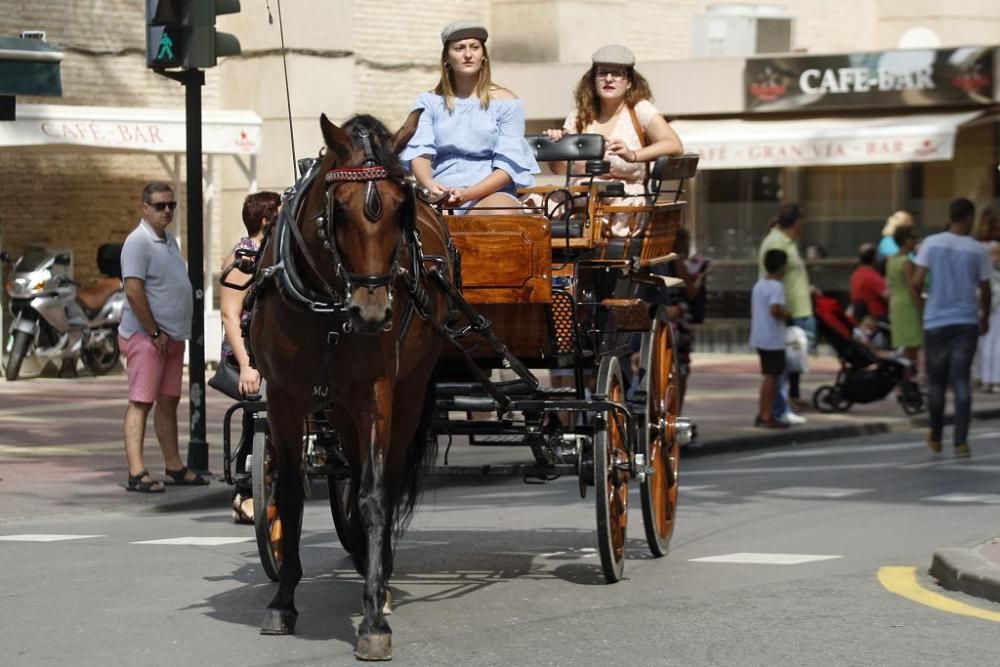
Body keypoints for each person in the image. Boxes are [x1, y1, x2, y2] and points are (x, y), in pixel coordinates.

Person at [400, 20, 538, 213]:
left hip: (490, 195)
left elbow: (508, 165)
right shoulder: (429, 102)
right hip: (439, 194)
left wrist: (468, 194)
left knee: (499, 214)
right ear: (447, 57)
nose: (467, 54)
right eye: (459, 48)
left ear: (484, 56)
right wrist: (431, 185)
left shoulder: (506, 102)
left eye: (474, 47)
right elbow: (420, 154)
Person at [545, 44, 684, 236]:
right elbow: (559, 170)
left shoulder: (639, 110)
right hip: (580, 199)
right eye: (602, 73)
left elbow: (674, 145)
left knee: (599, 210)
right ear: (593, 79)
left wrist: (633, 155)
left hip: (622, 203)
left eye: (617, 74)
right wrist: (558, 145)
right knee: (538, 202)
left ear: (629, 82)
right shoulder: (578, 116)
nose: (609, 79)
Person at [119, 182, 203, 492]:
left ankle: (174, 465)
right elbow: (134, 290)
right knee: (141, 401)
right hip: (146, 336)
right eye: (159, 206)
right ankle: (137, 472)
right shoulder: (137, 242)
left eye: (171, 205)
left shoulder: (168, 241)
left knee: (168, 401)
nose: (167, 210)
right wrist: (154, 331)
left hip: (171, 336)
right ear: (145, 208)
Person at [910, 197, 992, 458]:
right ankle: (961, 441)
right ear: (968, 218)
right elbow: (986, 288)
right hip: (965, 321)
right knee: (960, 381)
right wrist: (985, 317)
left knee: (936, 383)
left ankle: (935, 435)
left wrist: (924, 308)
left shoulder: (931, 244)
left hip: (935, 321)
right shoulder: (977, 249)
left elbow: (916, 282)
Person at [218, 191, 280, 522]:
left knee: (267, 422)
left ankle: (257, 488)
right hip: (249, 355)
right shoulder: (245, 257)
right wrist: (246, 366)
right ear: (267, 221)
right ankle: (244, 493)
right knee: (255, 421)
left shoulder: (270, 254)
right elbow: (230, 315)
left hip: (266, 354)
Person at [757, 202, 813, 424]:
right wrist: (782, 312)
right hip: (786, 315)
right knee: (779, 369)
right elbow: (769, 283)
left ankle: (780, 407)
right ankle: (776, 410)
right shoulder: (775, 243)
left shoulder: (788, 242)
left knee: (789, 365)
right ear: (797, 222)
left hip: (795, 311)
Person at [750, 249, 789, 429]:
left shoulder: (759, 285)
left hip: (760, 336)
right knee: (771, 377)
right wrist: (787, 313)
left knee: (769, 376)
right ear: (782, 267)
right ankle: (766, 415)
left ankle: (764, 413)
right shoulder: (776, 286)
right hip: (773, 338)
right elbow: (775, 309)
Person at [886, 226, 923, 374]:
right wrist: (920, 305)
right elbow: (912, 286)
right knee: (912, 344)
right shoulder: (906, 261)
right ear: (905, 240)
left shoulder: (891, 260)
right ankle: (908, 378)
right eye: (913, 238)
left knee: (904, 343)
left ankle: (904, 377)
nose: (915, 242)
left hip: (896, 301)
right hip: (907, 303)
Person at [978, 242, 1000, 392]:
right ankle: (994, 379)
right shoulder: (993, 247)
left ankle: (986, 378)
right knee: (995, 341)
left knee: (986, 341)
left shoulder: (978, 246)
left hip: (987, 299)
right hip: (995, 300)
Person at [849, 242, 888, 321]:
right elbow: (887, 295)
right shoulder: (871, 276)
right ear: (875, 258)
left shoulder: (856, 274)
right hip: (876, 318)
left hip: (862, 319)